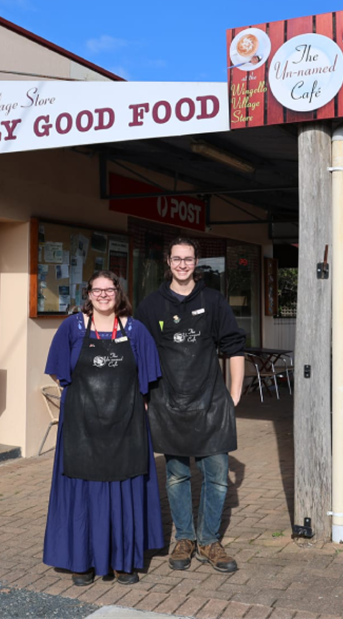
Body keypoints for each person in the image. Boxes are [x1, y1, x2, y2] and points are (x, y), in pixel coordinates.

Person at [42, 270, 164, 586]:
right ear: (89, 294)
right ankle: (82, 562)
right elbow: (57, 370)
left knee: (124, 492)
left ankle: (124, 563)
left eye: (109, 290)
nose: (103, 295)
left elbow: (149, 376)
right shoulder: (72, 327)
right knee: (84, 494)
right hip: (82, 427)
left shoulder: (136, 330)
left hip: (126, 426)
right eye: (97, 290)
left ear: (118, 293)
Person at [136, 237, 245, 574]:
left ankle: (209, 541)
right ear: (167, 262)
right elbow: (138, 354)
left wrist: (234, 395)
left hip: (212, 404)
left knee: (217, 478)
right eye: (176, 259)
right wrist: (143, 399)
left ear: (196, 262)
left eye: (188, 259)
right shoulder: (152, 305)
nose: (182, 264)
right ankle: (184, 538)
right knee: (177, 476)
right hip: (168, 405)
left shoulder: (213, 301)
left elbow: (234, 347)